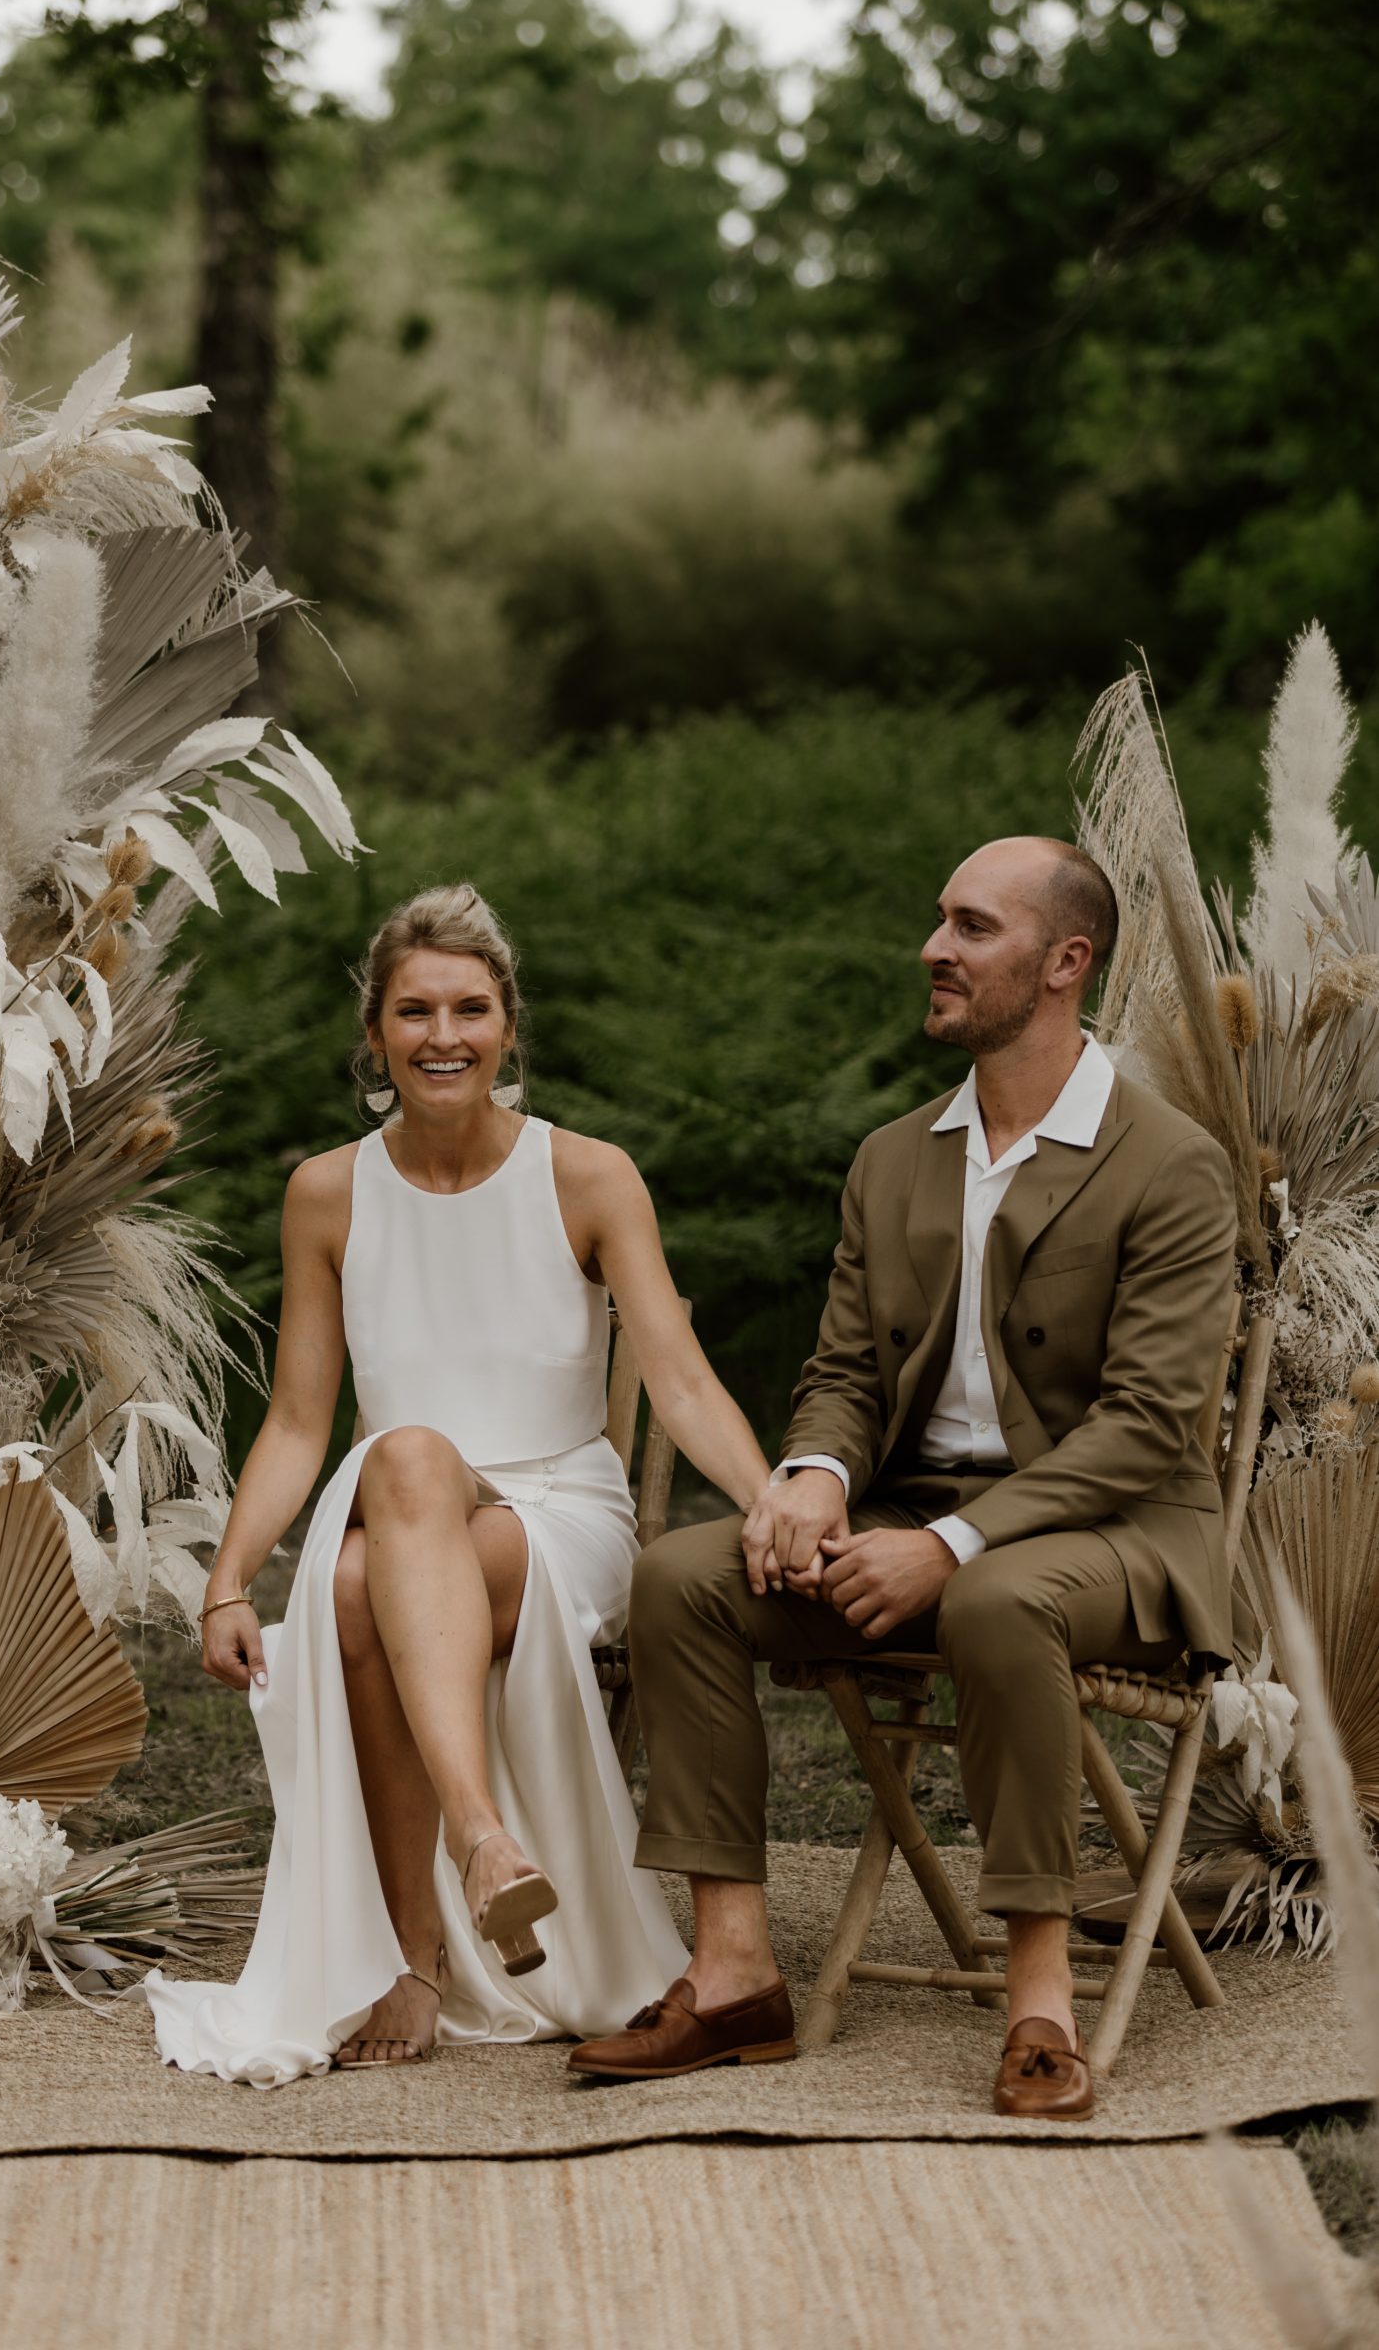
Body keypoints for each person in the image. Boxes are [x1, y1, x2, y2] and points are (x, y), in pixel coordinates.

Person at [570, 837, 1237, 2121]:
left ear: (1065, 961)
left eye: (972, 927)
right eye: (940, 920)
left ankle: (1039, 2000)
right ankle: (734, 1973)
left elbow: (1148, 1427)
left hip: (1120, 1531)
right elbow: (845, 1373)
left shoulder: (1168, 1161)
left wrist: (950, 1547)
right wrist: (818, 1474)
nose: (934, 948)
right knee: (685, 1576)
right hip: (910, 1511)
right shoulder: (893, 1158)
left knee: (998, 1598)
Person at [145, 883, 780, 2087]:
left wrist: (772, 1500)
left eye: (470, 1009)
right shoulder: (326, 1192)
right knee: (397, 1486)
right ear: (375, 1033)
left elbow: (682, 1379)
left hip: (558, 1512)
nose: (444, 1035)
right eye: (415, 1011)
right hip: (404, 1511)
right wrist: (228, 1580)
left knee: (380, 1527)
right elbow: (297, 1419)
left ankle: (419, 1942)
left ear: (508, 1026)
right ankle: (481, 1850)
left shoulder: (589, 1176)